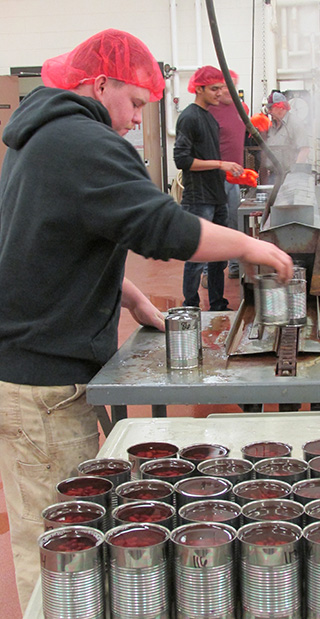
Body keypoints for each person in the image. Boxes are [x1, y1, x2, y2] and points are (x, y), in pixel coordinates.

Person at [0, 31, 293, 611]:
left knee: (70, 535)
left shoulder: (40, 137)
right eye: (134, 103)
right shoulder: (81, 140)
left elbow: (56, 240)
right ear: (99, 83)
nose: (137, 120)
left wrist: (131, 298)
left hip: (34, 373)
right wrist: (252, 249)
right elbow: (163, 228)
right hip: (42, 387)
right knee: (62, 551)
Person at [174, 66, 244, 310]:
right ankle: (190, 305)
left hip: (216, 196)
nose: (218, 93)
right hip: (199, 197)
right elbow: (182, 160)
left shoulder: (210, 117)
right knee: (198, 255)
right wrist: (220, 164)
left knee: (219, 255)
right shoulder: (190, 117)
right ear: (199, 88)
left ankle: (217, 303)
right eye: (214, 89)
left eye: (221, 89)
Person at [208, 70, 247, 279]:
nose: (228, 89)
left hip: (235, 177)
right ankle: (208, 269)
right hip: (215, 176)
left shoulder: (242, 108)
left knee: (234, 220)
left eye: (232, 84)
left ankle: (234, 266)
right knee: (214, 223)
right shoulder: (209, 111)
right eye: (224, 85)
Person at [264, 90, 310, 180]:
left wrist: (295, 173)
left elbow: (305, 150)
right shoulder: (271, 125)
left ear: (280, 108)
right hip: (274, 175)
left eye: (271, 108)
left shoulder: (295, 124)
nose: (269, 111)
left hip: (290, 174)